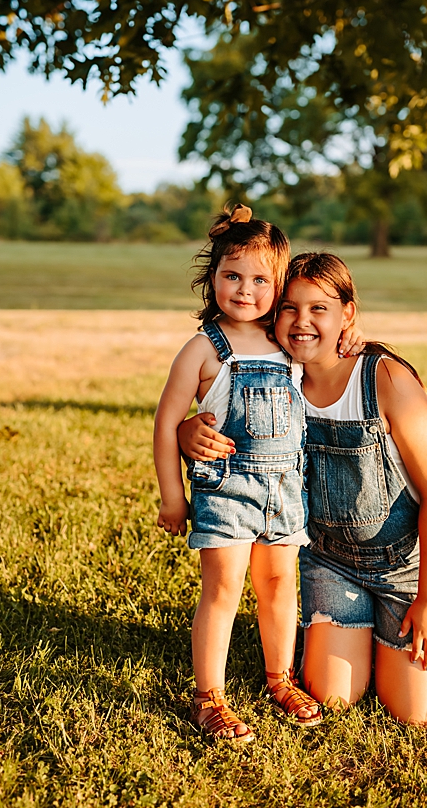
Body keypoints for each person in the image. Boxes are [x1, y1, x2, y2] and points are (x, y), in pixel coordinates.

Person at [180, 252, 427, 724]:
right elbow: (227, 413)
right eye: (289, 307)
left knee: (415, 712)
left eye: (319, 309)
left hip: (401, 568)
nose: (301, 321)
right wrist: (189, 434)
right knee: (333, 696)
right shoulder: (278, 372)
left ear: (348, 313)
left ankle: (385, 630)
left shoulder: (384, 378)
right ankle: (344, 634)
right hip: (329, 562)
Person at [153, 204, 324, 743]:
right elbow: (165, 423)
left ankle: (280, 677)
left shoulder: (288, 343)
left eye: (259, 280)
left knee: (278, 585)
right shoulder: (206, 349)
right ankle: (209, 698)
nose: (244, 290)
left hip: (284, 494)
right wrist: (172, 497)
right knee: (223, 589)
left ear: (280, 287)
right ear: (213, 278)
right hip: (226, 492)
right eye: (232, 275)